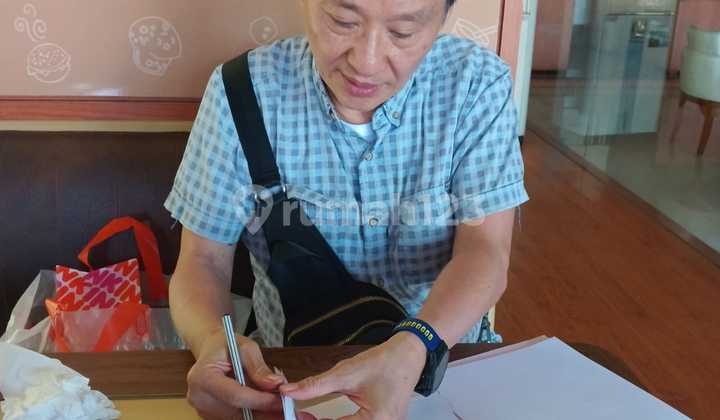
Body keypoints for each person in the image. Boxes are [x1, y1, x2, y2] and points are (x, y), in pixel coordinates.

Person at [164, 0, 528, 418]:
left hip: (443, 359)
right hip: (292, 374)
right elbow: (203, 260)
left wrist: (415, 345)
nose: (366, 63)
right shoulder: (243, 91)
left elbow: (485, 251)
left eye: (403, 32)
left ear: (442, 19)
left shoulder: (475, 84)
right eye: (343, 21)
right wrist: (211, 340)